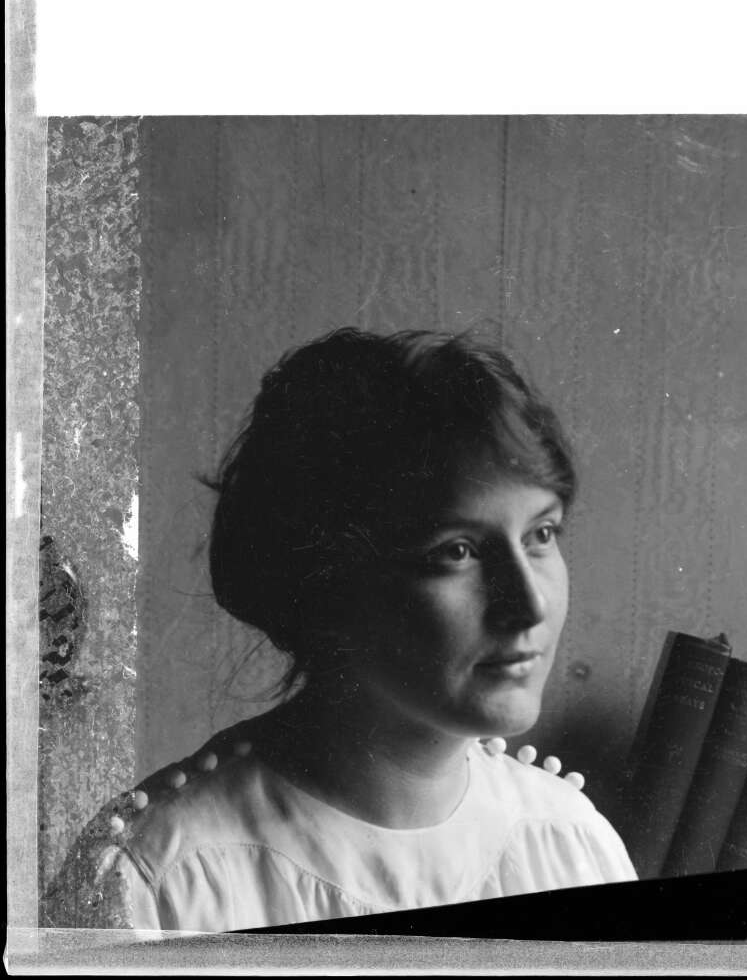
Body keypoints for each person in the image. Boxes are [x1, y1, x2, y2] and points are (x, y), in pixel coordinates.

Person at [41, 327, 636, 932]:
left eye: (541, 535)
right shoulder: (164, 883)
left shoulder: (572, 846)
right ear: (328, 580)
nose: (529, 605)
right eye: (456, 551)